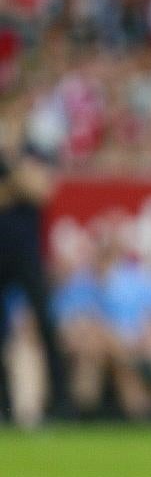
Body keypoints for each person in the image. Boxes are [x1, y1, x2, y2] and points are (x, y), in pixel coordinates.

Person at [0, 100, 72, 423]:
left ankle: (62, 402)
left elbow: (42, 190)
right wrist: (20, 182)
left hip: (28, 253)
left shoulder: (32, 150)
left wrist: (13, 168)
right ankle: (5, 406)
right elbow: (26, 188)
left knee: (46, 324)